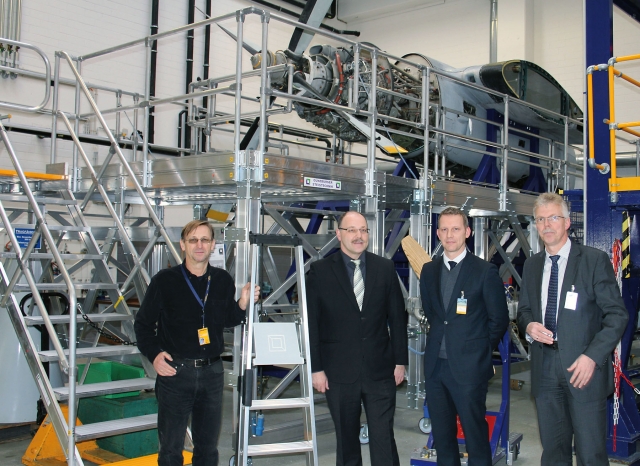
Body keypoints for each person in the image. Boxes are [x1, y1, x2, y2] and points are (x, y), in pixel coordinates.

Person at [134, 219, 259, 466]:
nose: (199, 245)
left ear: (213, 245)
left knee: (207, 448)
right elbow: (143, 325)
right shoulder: (165, 281)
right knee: (171, 449)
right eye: (193, 240)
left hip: (212, 374)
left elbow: (227, 319)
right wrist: (155, 355)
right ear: (183, 245)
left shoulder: (222, 280)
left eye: (204, 240)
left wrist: (243, 303)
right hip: (175, 373)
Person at [517, 192, 628, 465]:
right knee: (554, 454)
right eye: (540, 219)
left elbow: (617, 315)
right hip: (544, 368)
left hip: (583, 370)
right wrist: (529, 326)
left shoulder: (593, 260)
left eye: (553, 218)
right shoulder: (532, 265)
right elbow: (524, 311)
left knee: (591, 454)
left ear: (567, 222)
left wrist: (592, 357)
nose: (546, 225)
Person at [307, 211, 408, 466]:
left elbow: (398, 318)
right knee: (347, 440)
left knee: (383, 438)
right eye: (351, 230)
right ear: (338, 234)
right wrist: (316, 369)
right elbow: (312, 325)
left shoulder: (384, 268)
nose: (358, 235)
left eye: (363, 230)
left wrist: (400, 361)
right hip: (338, 372)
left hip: (380, 370)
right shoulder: (320, 271)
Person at [419, 206, 509, 466]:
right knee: (443, 436)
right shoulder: (429, 270)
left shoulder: (484, 271)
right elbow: (433, 313)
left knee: (475, 435)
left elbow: (499, 319)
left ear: (467, 232)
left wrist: (478, 351)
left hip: (470, 368)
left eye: (456, 229)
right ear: (438, 233)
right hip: (436, 367)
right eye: (444, 229)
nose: (450, 235)